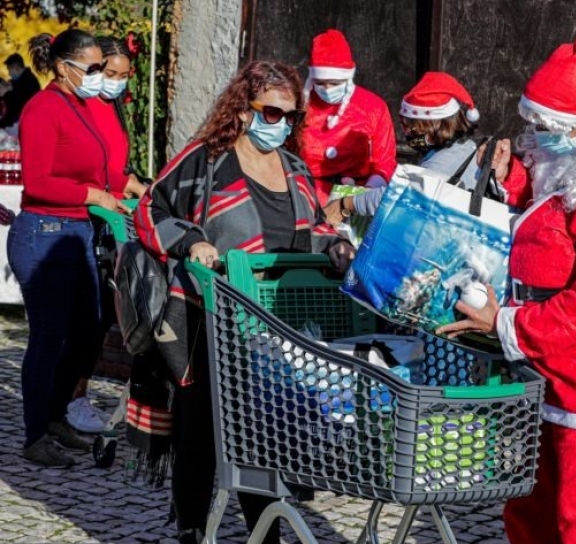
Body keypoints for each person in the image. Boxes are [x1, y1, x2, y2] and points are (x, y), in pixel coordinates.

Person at [437, 38, 576, 544]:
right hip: (553, 370)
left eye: (545, 129)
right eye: (532, 125)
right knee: (530, 511)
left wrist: (505, 323)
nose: (533, 136)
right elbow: (551, 222)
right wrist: (512, 178)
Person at [133, 60, 355, 544]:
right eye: (270, 113)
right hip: (208, 319)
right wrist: (191, 241)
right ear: (243, 108)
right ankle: (191, 529)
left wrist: (334, 243)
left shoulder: (295, 170)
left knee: (264, 433)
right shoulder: (204, 160)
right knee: (201, 434)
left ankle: (265, 534)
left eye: (291, 116)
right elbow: (149, 209)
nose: (280, 125)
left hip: (277, 327)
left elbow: (311, 230)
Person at [7, 29, 132, 468]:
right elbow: (39, 182)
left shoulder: (78, 105)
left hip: (75, 234)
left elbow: (99, 170)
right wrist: (94, 196)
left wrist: (135, 188)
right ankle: (36, 433)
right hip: (43, 234)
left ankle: (58, 416)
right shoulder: (43, 108)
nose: (100, 76)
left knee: (88, 330)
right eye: (94, 68)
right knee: (48, 337)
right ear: (64, 67)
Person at [63, 35, 147, 434]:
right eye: (109, 73)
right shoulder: (82, 107)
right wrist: (125, 184)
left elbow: (115, 164)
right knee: (89, 316)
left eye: (124, 75)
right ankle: (72, 395)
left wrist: (135, 184)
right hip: (89, 217)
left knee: (101, 316)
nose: (116, 81)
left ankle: (74, 393)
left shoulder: (112, 108)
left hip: (112, 212)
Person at [326, 71, 526, 223]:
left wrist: (348, 204)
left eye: (415, 127)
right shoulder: (463, 147)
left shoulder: (449, 158)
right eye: (406, 125)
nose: (408, 133)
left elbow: (403, 194)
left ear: (439, 125)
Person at [299, 29, 397, 209]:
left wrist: (366, 194)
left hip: (354, 196)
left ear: (347, 78)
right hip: (304, 195)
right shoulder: (299, 104)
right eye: (320, 83)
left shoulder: (373, 107)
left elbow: (384, 160)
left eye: (334, 83)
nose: (327, 89)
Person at [1, 53, 42, 128]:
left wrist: (8, 92)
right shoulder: (17, 82)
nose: (9, 74)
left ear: (15, 68)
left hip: (27, 125)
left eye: (9, 70)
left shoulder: (30, 82)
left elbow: (20, 108)